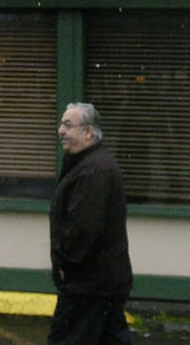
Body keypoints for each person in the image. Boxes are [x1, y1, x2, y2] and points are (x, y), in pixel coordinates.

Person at [47, 102, 133, 345]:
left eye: (68, 125)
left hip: (89, 286)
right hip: (104, 282)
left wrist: (64, 262)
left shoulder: (93, 171)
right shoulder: (91, 165)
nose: (61, 130)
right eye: (61, 124)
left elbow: (83, 228)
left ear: (88, 133)